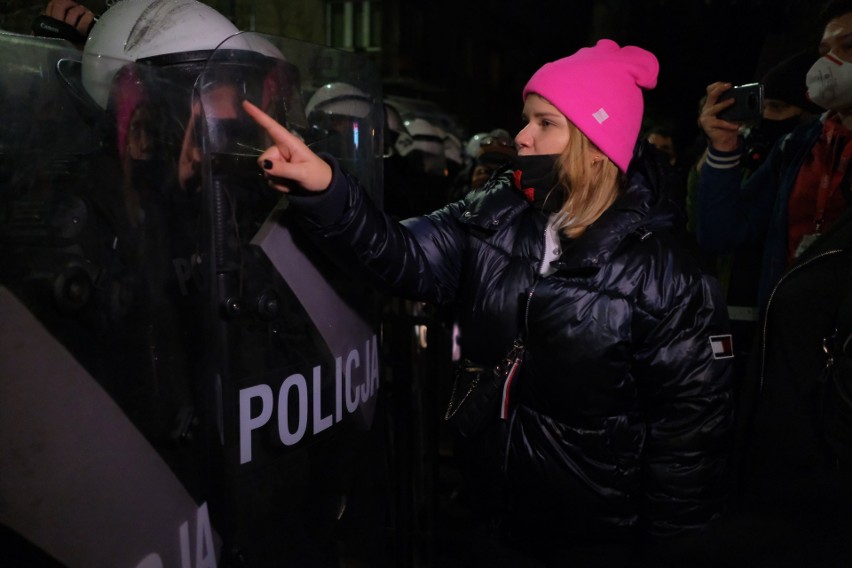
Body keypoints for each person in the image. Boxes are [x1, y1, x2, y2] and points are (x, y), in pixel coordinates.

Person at [242, 38, 735, 567]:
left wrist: (668, 550)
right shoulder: (497, 210)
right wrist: (327, 188)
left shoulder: (667, 273)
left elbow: (688, 439)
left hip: (596, 541)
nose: (521, 136)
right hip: (491, 520)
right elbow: (404, 255)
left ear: (595, 142)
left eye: (545, 123)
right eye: (527, 119)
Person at [695, 1, 852, 312]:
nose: (830, 63)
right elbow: (720, 234)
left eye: (848, 46)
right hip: (791, 338)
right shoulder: (797, 147)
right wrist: (724, 150)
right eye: (824, 52)